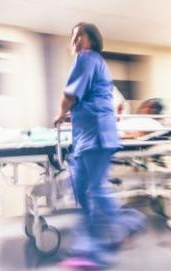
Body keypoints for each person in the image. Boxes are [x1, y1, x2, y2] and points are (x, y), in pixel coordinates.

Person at [54, 22, 144, 269]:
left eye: (79, 36)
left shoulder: (87, 58)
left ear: (91, 39)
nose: (75, 41)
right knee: (82, 190)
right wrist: (72, 115)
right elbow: (87, 100)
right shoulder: (92, 63)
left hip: (97, 136)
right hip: (86, 137)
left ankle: (94, 250)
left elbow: (69, 96)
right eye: (72, 37)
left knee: (94, 190)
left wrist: (60, 113)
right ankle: (121, 229)